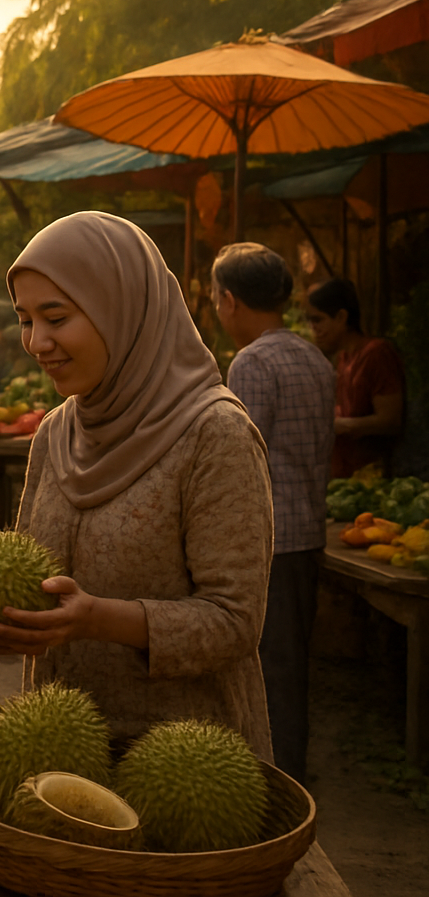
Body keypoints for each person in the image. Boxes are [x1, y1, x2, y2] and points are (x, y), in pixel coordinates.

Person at [0, 212, 275, 760]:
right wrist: (3, 623)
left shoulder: (215, 434)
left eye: (56, 317)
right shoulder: (56, 432)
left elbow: (234, 622)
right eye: (25, 320)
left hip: (184, 766)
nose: (37, 342)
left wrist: (97, 619)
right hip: (58, 752)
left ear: (122, 308)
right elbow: (28, 581)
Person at [213, 243, 334, 782]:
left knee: (268, 671)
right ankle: (286, 774)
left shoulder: (253, 362)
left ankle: (277, 784)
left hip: (271, 540)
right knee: (291, 667)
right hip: (307, 532)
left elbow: (238, 460)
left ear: (230, 300)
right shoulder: (314, 356)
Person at [304, 278, 405, 478]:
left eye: (318, 320)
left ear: (341, 317)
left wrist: (341, 426)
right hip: (347, 475)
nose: (313, 329)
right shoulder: (343, 357)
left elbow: (391, 420)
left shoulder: (376, 353)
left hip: (373, 476)